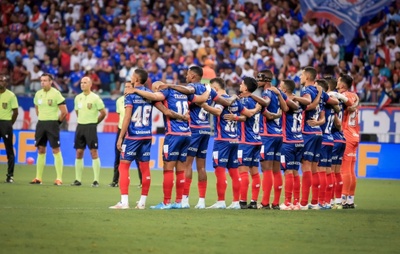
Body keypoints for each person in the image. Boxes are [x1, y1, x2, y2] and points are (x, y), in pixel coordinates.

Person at [129, 80, 211, 209]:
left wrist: (136, 90)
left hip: (173, 135)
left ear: (159, 87)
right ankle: (178, 202)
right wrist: (208, 89)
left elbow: (155, 97)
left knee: (168, 168)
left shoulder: (165, 91)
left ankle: (166, 202)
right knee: (180, 170)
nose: (155, 91)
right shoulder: (184, 93)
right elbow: (202, 98)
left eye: (155, 88)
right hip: (187, 134)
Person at [181, 65, 236, 209]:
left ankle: (185, 200)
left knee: (187, 164)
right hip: (206, 129)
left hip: (194, 129)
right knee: (201, 167)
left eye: (187, 74)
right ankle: (201, 201)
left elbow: (190, 103)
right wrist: (234, 97)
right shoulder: (209, 90)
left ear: (193, 76)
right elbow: (226, 102)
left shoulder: (189, 89)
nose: (186, 76)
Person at [199, 77, 249, 209]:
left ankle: (221, 201)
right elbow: (246, 115)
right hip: (235, 140)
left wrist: (203, 105)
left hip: (222, 141)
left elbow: (217, 111)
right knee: (234, 171)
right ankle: (236, 202)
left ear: (215, 89)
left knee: (219, 170)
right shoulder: (235, 101)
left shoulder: (221, 100)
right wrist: (236, 117)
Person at [110, 69, 154, 209]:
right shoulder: (150, 95)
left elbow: (127, 117)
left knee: (123, 166)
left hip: (133, 136)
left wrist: (120, 137)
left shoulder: (130, 95)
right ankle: (142, 202)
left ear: (136, 79)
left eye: (132, 76)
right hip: (147, 135)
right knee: (145, 168)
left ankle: (124, 202)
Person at [298, 67, 338, 210]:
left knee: (306, 166)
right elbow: (335, 102)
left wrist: (296, 101)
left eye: (302, 74)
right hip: (318, 133)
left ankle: (303, 203)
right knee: (315, 168)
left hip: (307, 131)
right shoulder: (319, 91)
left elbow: (307, 104)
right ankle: (315, 202)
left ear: (308, 77)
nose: (300, 77)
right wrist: (322, 96)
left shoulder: (306, 90)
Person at [225, 77, 262, 209]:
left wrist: (234, 117)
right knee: (255, 171)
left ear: (245, 88)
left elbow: (245, 116)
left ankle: (242, 202)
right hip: (257, 140)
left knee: (243, 171)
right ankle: (253, 202)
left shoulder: (245, 101)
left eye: (242, 84)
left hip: (246, 140)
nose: (240, 85)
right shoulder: (256, 101)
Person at [256, 70, 289, 210]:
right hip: (279, 135)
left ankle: (264, 202)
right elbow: (286, 108)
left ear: (266, 79)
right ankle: (275, 203)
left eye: (259, 78)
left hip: (267, 135)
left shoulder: (267, 93)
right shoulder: (279, 93)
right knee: (276, 170)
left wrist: (254, 100)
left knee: (266, 169)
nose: (257, 80)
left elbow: (266, 104)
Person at [30, 73, 67, 185]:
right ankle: (38, 178)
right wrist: (42, 118)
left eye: (45, 80)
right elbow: (37, 109)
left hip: (52, 124)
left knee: (55, 149)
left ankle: (59, 178)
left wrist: (57, 122)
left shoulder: (56, 94)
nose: (42, 82)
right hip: (41, 124)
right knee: (41, 149)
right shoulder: (38, 94)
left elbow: (64, 111)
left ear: (51, 82)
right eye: (41, 80)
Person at [71, 76, 106, 187]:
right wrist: (82, 120)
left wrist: (94, 123)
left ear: (90, 85)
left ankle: (96, 180)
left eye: (85, 82)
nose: (82, 84)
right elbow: (77, 112)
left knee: (93, 152)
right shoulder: (77, 98)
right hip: (80, 126)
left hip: (91, 127)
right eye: (81, 82)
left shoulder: (95, 98)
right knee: (79, 152)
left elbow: (103, 113)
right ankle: (78, 179)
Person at [109, 81, 142, 188]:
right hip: (121, 130)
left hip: (133, 130)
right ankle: (115, 181)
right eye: (125, 87)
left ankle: (142, 181)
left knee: (137, 157)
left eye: (129, 87)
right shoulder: (119, 101)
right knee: (118, 156)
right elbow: (121, 117)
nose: (126, 89)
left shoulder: (136, 100)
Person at [279, 79, 305, 210]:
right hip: (300, 140)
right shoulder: (299, 102)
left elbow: (284, 108)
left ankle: (288, 202)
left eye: (280, 86)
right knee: (295, 171)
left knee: (288, 171)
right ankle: (296, 202)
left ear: (284, 90)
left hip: (288, 141)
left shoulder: (286, 103)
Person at [337, 74, 360, 209]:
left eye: (339, 81)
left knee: (344, 169)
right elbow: (353, 105)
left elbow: (348, 104)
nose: (337, 82)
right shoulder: (356, 96)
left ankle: (344, 199)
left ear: (342, 85)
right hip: (355, 134)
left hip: (347, 135)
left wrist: (338, 95)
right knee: (351, 170)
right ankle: (350, 199)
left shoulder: (344, 96)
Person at [0, 75, 18, 183]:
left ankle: (10, 175)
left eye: (2, 81)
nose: (0, 82)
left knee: (9, 150)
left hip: (5, 123)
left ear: (6, 83)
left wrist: (9, 124)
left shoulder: (11, 95)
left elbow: (16, 112)